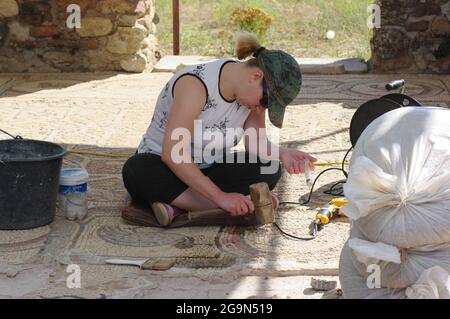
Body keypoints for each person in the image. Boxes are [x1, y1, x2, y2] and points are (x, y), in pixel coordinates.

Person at [122, 31, 316, 226]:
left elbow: (255, 142)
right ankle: (223, 205)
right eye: (265, 101)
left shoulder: (250, 96)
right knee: (136, 170)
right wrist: (220, 197)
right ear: (256, 76)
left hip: (206, 169)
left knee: (270, 169)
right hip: (165, 166)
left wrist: (284, 154)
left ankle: (178, 205)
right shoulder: (195, 86)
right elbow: (173, 154)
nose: (261, 108)